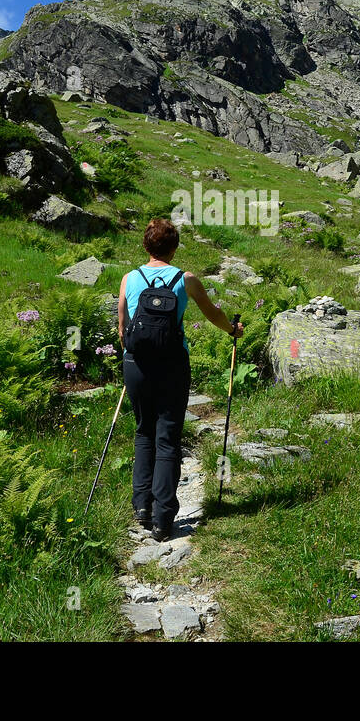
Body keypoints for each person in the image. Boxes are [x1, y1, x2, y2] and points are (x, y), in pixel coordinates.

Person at [118, 218, 243, 541]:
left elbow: (122, 327)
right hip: (173, 364)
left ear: (146, 246)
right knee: (167, 436)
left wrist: (133, 356)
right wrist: (233, 330)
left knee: (144, 431)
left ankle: (141, 508)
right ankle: (163, 519)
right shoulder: (185, 279)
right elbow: (213, 313)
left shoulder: (129, 279)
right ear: (174, 248)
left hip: (136, 364)